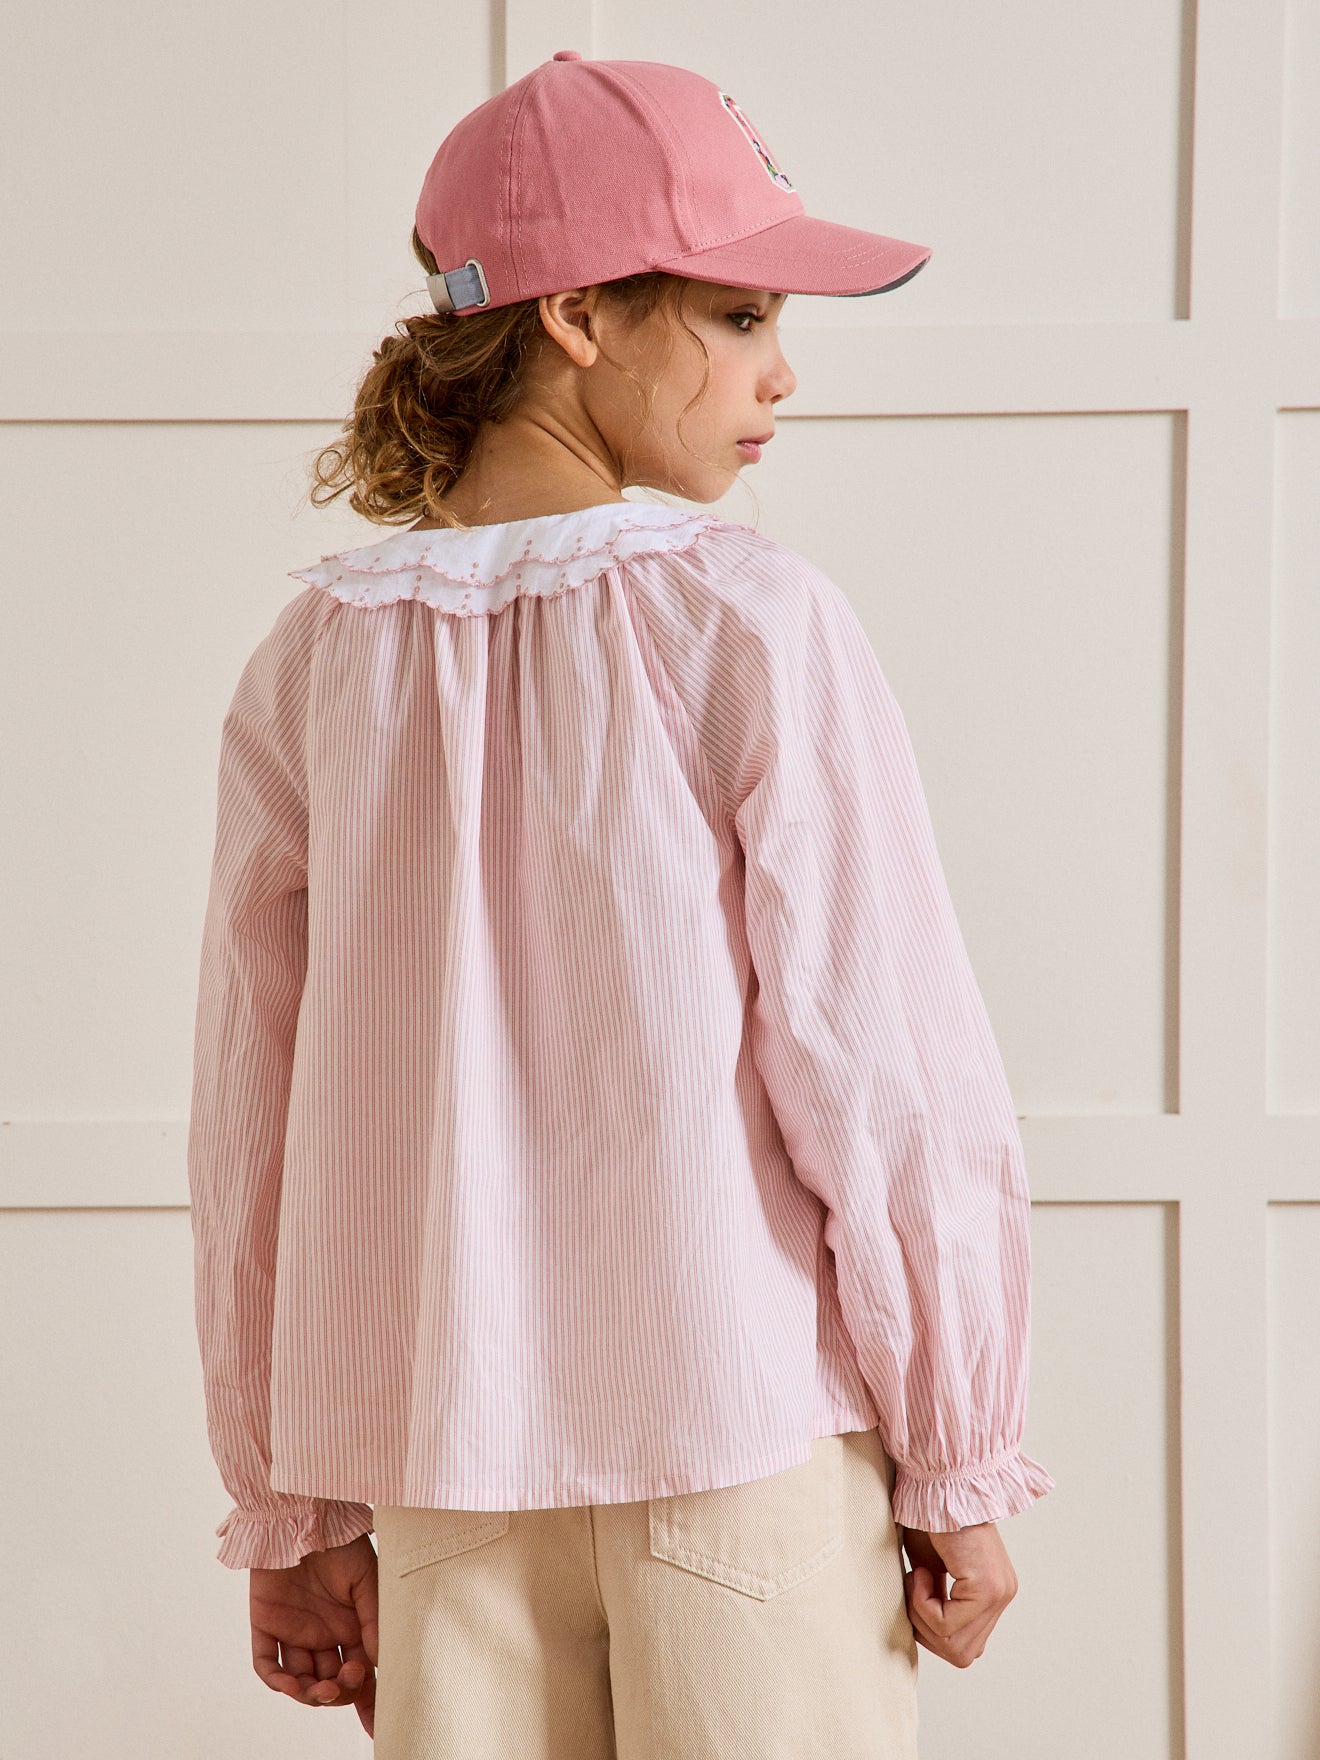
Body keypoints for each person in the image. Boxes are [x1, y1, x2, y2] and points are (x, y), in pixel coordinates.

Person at [186, 49, 1054, 1758]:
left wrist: (293, 1511)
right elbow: (884, 1072)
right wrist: (958, 1453)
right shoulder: (746, 619)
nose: (782, 369)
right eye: (739, 315)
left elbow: (250, 1125)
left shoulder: (316, 661)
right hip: (739, 1455)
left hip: (445, 1479)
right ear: (579, 315)